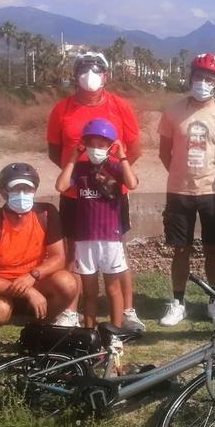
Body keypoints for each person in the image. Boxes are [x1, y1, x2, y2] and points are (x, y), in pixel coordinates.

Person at [46, 51, 145, 329]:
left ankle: (127, 311)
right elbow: (55, 150)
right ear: (75, 76)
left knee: (118, 251)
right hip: (75, 192)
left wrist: (111, 173)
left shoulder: (120, 106)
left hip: (112, 192)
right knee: (73, 249)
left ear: (106, 76)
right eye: (83, 70)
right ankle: (71, 311)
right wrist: (82, 172)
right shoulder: (62, 109)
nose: (89, 76)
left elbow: (134, 147)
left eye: (96, 70)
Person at [158, 53, 215, 327]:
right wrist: (182, 174)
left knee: (214, 248)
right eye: (198, 77)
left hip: (212, 192)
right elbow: (164, 153)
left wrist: (212, 177)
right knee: (180, 250)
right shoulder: (173, 112)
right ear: (190, 78)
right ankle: (178, 302)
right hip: (179, 191)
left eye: (209, 79)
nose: (202, 82)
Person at [0, 163, 77, 358]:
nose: (22, 193)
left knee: (68, 283)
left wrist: (33, 276)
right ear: (3, 191)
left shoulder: (46, 214)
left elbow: (58, 257)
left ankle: (37, 331)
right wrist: (28, 291)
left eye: (27, 188)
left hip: (31, 280)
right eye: (16, 188)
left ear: (35, 189)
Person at [54, 118, 140, 330]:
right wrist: (75, 155)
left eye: (102, 144)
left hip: (110, 238)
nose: (96, 149)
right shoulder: (81, 169)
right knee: (90, 291)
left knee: (113, 289)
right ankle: (89, 332)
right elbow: (61, 185)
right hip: (85, 239)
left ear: (110, 146)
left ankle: (115, 333)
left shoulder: (115, 168)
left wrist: (122, 157)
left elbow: (132, 183)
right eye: (91, 143)